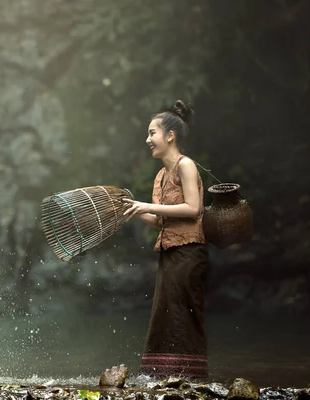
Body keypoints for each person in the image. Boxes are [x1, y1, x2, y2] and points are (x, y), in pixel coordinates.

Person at [122, 100, 209, 379]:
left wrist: (148, 206)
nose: (147, 140)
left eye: (152, 133)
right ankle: (162, 376)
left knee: (185, 312)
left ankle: (191, 376)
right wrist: (135, 210)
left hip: (189, 252)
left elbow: (193, 209)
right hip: (169, 253)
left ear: (170, 136)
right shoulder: (160, 175)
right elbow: (161, 220)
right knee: (165, 313)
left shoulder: (186, 166)